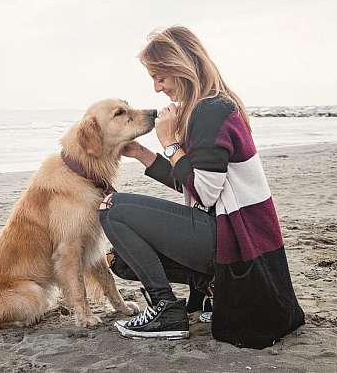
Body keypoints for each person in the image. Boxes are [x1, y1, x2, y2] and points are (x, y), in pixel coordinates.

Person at [98, 26, 305, 348]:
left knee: (114, 209)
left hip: (236, 237)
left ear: (181, 66)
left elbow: (205, 191)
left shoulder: (211, 111)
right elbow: (198, 182)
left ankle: (166, 311)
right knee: (121, 260)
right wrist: (142, 154)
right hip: (238, 233)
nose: (156, 88)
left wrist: (170, 143)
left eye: (160, 77)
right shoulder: (213, 106)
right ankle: (213, 290)